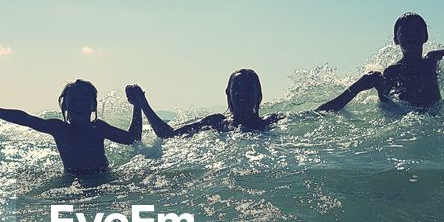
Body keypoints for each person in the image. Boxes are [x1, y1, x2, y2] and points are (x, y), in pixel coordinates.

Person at [320, 13, 444, 113]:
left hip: (436, 116)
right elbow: (389, 105)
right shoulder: (392, 71)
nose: (411, 34)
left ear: (425, 36)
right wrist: (378, 90)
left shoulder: (432, 60)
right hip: (409, 119)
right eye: (404, 31)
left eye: (416, 30)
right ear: (396, 40)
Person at [131, 68, 380, 139]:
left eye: (248, 88)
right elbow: (168, 134)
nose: (241, 93)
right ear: (227, 94)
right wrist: (142, 102)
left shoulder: (272, 122)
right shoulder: (216, 123)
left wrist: (357, 87)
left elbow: (322, 112)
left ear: (259, 96)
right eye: (236, 88)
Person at [0, 79, 143, 173]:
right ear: (64, 106)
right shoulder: (60, 129)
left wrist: (137, 105)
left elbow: (132, 138)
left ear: (93, 106)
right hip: (73, 179)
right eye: (74, 101)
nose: (79, 105)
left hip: (104, 178)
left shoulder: (99, 128)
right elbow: (25, 118)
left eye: (84, 100)